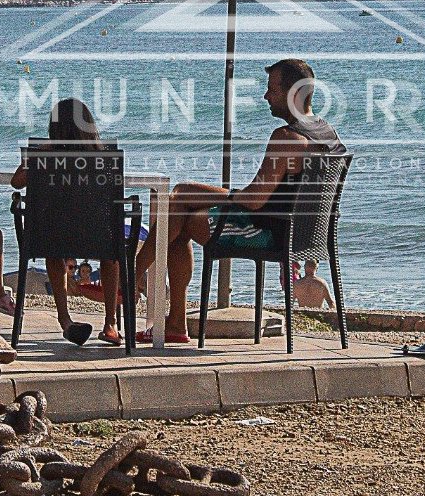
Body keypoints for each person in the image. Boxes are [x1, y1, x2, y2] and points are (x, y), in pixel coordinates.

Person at [130, 58, 346, 344]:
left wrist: (199, 193)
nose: (266, 96)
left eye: (272, 89)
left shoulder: (287, 138)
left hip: (268, 234)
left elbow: (254, 200)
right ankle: (161, 307)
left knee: (179, 209)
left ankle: (134, 280)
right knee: (180, 204)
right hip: (301, 234)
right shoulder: (329, 134)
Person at [9, 98, 128, 347]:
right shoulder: (104, 157)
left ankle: (65, 320)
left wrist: (34, 155)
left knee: (54, 251)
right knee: (111, 254)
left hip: (55, 238)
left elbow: (16, 182)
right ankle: (111, 323)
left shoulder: (44, 155)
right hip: (98, 236)